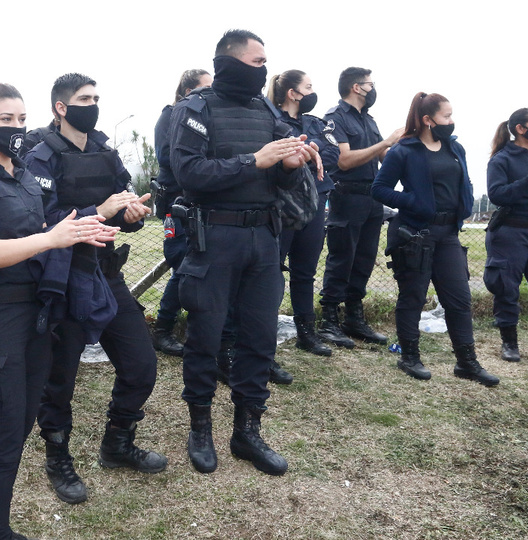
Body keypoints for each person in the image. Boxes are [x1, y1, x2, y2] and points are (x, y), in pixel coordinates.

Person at [0, 82, 114, 540]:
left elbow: (37, 231)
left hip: (35, 317)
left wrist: (76, 231)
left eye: (21, 119)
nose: (16, 128)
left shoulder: (22, 175)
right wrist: (51, 238)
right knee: (0, 441)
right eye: (5, 120)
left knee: (18, 428)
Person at [168, 29, 317, 476]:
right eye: (257, 62)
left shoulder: (266, 108)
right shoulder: (194, 109)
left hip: (264, 239)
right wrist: (256, 159)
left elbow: (280, 177)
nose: (264, 70)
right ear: (228, 63)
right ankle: (200, 426)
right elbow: (189, 173)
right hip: (214, 238)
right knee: (206, 335)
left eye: (266, 62)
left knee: (259, 336)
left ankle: (247, 430)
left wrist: (289, 167)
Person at [25, 73, 167, 505]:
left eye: (96, 97)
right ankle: (58, 456)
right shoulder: (40, 157)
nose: (94, 104)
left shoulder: (106, 150)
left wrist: (132, 212)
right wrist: (98, 211)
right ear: (61, 107)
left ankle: (117, 444)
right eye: (85, 98)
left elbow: (122, 202)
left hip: (105, 274)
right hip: (63, 278)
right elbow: (40, 223)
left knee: (141, 366)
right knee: (59, 379)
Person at [372, 92, 497, 386]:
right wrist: (413, 201)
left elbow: (463, 180)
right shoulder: (404, 151)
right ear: (428, 120)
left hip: (448, 234)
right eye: (446, 116)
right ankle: (409, 356)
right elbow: (379, 189)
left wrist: (464, 201)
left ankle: (467, 363)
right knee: (413, 297)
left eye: (451, 115)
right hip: (416, 234)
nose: (451, 121)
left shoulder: (456, 148)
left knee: (459, 299)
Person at [320, 67, 404, 347]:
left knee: (364, 259)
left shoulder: (369, 120)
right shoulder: (335, 118)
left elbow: (383, 156)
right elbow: (343, 160)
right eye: (370, 84)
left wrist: (403, 147)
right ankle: (328, 320)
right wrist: (386, 141)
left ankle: (354, 318)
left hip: (373, 198)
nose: (373, 88)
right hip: (348, 196)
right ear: (357, 87)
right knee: (342, 258)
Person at [267, 70, 338, 357]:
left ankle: (306, 332)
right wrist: (306, 152)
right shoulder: (272, 119)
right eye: (307, 87)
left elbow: (333, 156)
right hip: (281, 205)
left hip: (315, 203)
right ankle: (264, 332)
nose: (312, 92)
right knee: (271, 272)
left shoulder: (314, 123)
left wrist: (307, 150)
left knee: (305, 271)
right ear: (292, 93)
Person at [150, 68, 212, 357]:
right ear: (188, 91)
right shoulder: (171, 115)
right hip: (176, 205)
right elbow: (169, 157)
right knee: (182, 265)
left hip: (201, 204)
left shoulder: (205, 117)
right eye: (205, 87)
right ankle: (163, 330)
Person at [485, 108, 528, 363]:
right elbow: (497, 194)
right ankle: (509, 343)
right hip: (510, 231)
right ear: (521, 129)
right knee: (506, 288)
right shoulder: (502, 158)